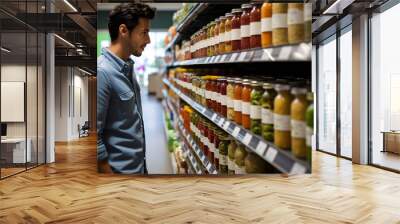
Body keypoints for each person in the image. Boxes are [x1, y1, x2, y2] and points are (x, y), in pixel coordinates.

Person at [97, 3, 155, 174]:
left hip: (138, 169)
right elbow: (95, 138)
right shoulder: (103, 73)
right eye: (144, 32)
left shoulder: (128, 68)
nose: (148, 40)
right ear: (124, 31)